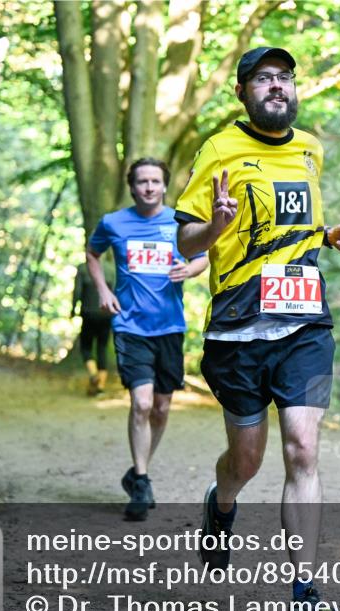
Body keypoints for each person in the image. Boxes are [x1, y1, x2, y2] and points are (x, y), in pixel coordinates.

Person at [175, 46, 340, 611]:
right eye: (263, 79)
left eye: (283, 78)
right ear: (242, 91)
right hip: (237, 328)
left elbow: (295, 226)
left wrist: (330, 236)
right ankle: (221, 499)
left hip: (305, 320)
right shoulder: (219, 150)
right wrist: (217, 226)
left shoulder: (310, 148)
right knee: (247, 461)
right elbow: (185, 243)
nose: (276, 87)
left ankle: (304, 594)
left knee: (302, 451)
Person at [86, 157, 208, 521]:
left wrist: (191, 268)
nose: (149, 187)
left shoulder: (179, 222)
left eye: (155, 181)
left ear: (165, 186)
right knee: (140, 403)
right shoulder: (113, 223)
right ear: (132, 186)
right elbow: (93, 254)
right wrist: (103, 291)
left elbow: (203, 257)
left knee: (161, 407)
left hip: (169, 327)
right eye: (142, 182)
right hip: (130, 326)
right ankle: (140, 479)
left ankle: (138, 469)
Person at [72, 259, 114, 395]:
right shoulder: (111, 269)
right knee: (102, 348)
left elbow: (77, 291)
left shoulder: (83, 268)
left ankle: (94, 374)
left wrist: (73, 309)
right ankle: (100, 387)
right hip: (106, 314)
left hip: (88, 313)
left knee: (86, 347)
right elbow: (116, 292)